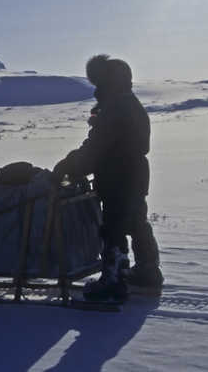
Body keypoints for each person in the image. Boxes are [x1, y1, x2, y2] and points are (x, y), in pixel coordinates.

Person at [53, 54, 162, 302]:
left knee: (113, 227)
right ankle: (148, 270)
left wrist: (68, 167)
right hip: (134, 173)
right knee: (136, 221)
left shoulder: (114, 108)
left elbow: (97, 147)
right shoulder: (130, 103)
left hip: (118, 175)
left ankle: (113, 280)